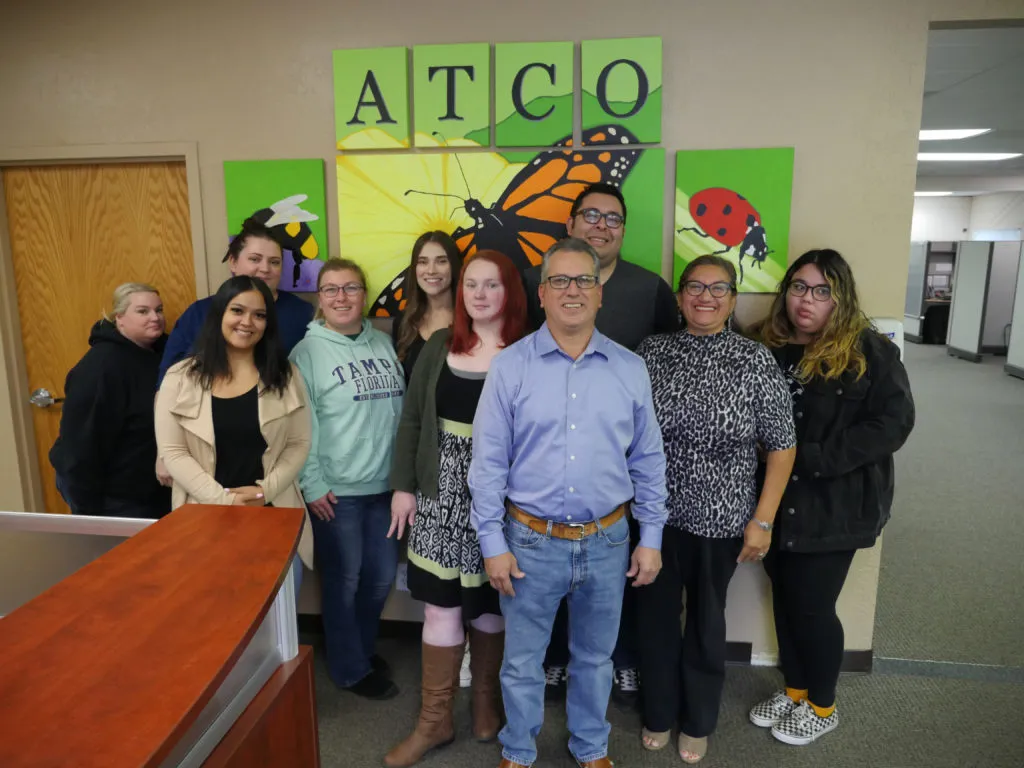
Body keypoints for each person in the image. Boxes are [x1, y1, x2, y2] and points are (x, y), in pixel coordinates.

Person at [469, 237, 668, 768]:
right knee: (522, 661)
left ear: (600, 292)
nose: (572, 290)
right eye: (560, 280)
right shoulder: (511, 367)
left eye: (584, 280)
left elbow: (648, 460)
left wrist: (651, 537)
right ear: (542, 293)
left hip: (608, 540)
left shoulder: (629, 368)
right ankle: (518, 749)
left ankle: (591, 747)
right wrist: (492, 543)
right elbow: (488, 463)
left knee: (596, 659)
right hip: (529, 543)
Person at [747, 249, 915, 746]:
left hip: (834, 505)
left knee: (813, 608)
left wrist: (811, 457)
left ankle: (823, 705)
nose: (807, 300)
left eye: (823, 291)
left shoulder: (870, 352)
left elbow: (893, 424)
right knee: (785, 600)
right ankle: (795, 690)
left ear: (840, 298)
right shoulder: (768, 346)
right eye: (799, 287)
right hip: (774, 502)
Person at [633, 256, 797, 763]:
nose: (705, 296)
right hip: (654, 518)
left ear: (733, 298)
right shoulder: (651, 352)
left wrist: (763, 521)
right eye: (695, 286)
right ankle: (658, 712)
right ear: (680, 296)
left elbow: (782, 445)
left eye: (718, 288)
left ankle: (698, 721)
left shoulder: (754, 360)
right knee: (655, 621)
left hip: (721, 520)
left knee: (706, 623)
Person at [523, 182, 679, 707]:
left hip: (616, 458)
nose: (601, 225)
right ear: (569, 224)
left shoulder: (649, 288)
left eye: (613, 218)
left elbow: (668, 354)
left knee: (618, 579)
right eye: (590, 215)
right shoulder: (535, 280)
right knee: (546, 573)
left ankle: (620, 663)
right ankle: (554, 662)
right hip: (548, 462)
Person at [384, 250, 528, 767]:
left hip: (502, 498)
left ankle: (486, 700)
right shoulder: (440, 345)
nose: (480, 295)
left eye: (492, 285)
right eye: (471, 285)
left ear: (510, 292)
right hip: (438, 493)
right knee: (440, 606)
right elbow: (412, 420)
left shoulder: (529, 352)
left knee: (491, 602)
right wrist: (404, 487)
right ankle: (435, 720)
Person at [289, 259, 405, 700]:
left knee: (380, 579)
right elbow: (300, 425)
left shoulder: (383, 343)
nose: (341, 297)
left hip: (385, 488)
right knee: (344, 582)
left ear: (364, 295)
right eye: (331, 289)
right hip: (337, 492)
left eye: (351, 288)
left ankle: (360, 649)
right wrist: (312, 483)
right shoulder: (306, 353)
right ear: (320, 299)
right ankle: (349, 669)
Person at [155, 275, 313, 590]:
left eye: (259, 315)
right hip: (204, 519)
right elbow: (174, 452)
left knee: (279, 614)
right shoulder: (180, 377)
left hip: (274, 514)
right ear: (219, 315)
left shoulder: (285, 375)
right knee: (215, 611)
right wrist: (224, 501)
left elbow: (299, 443)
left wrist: (265, 491)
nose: (247, 322)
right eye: (237, 311)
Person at [49, 283, 171, 519]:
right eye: (143, 311)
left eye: (159, 310)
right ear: (119, 318)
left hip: (150, 491)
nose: (155, 318)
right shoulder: (101, 367)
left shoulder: (165, 355)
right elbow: (81, 444)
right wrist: (89, 511)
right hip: (112, 497)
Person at [391, 231, 463, 385]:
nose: (431, 270)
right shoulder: (404, 322)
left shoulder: (471, 319)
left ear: (454, 266)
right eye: (423, 262)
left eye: (441, 261)